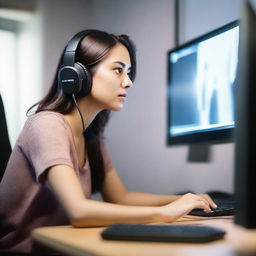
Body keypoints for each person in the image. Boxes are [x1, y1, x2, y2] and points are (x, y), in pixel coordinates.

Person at [0, 29, 217, 254]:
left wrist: (185, 201)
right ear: (77, 74)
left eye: (129, 72)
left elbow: (120, 197)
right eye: (118, 70)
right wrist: (165, 213)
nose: (129, 82)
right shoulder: (47, 124)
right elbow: (79, 211)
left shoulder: (90, 134)